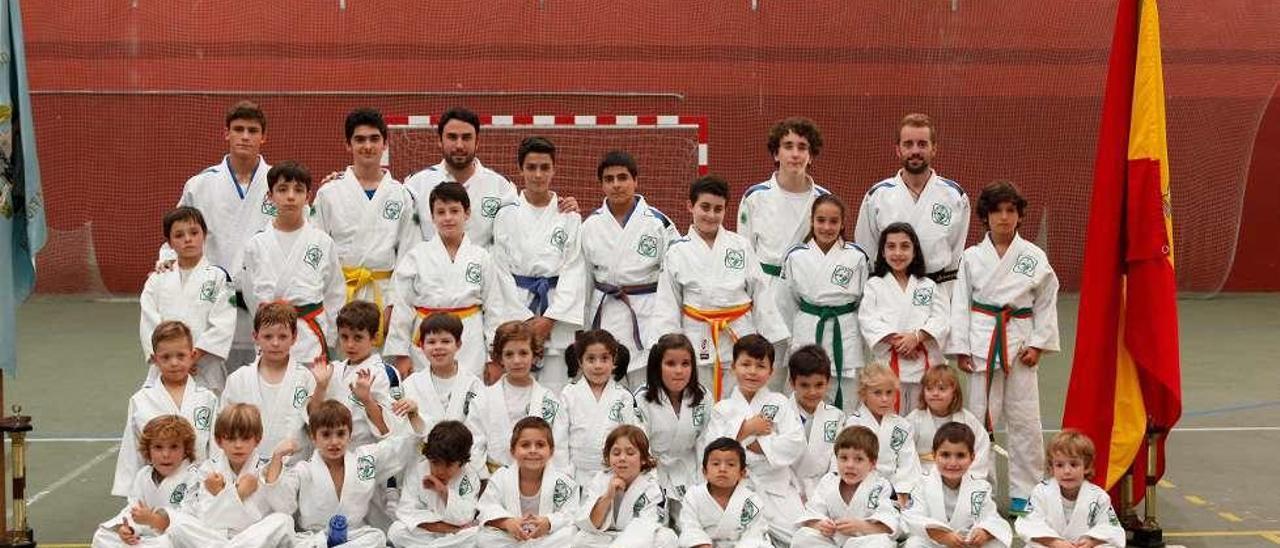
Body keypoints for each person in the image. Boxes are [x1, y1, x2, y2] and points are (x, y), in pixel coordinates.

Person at [948, 181, 1060, 514]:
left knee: (1025, 419)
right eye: (997, 210)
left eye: (1011, 210)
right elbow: (959, 304)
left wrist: (1039, 344)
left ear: (1019, 216)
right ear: (986, 216)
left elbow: (1046, 302)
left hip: (1021, 342)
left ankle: (1025, 492)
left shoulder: (1033, 257)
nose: (1004, 217)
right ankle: (979, 486)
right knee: (980, 418)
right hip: (983, 342)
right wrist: (961, 348)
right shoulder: (971, 257)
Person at [657, 175, 788, 400]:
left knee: (741, 403)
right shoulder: (677, 251)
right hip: (697, 338)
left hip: (739, 336)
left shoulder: (740, 245)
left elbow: (760, 293)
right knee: (700, 403)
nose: (711, 215)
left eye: (718, 209)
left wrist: (769, 337)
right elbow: (668, 303)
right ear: (691, 206)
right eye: (705, 207)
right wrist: (670, 347)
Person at [165, 101, 275, 370]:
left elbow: (302, 228)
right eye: (238, 129)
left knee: (261, 374)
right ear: (226, 133)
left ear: (264, 136)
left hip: (262, 295)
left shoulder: (279, 182)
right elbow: (177, 232)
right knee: (211, 372)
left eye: (252, 130)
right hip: (213, 294)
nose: (245, 136)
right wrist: (166, 260)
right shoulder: (201, 184)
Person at [384, 181, 531, 380]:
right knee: (426, 396)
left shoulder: (482, 257)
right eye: (441, 212)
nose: (448, 218)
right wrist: (401, 354)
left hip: (469, 341)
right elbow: (402, 308)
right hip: (427, 339)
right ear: (432, 217)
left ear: (467, 213)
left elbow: (494, 310)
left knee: (470, 397)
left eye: (454, 211)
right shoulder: (416, 256)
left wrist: (493, 357)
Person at [738, 117, 832, 386]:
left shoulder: (823, 199)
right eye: (788, 146)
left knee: (805, 372)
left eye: (802, 147)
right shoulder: (755, 197)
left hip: (807, 295)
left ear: (811, 155)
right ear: (775, 153)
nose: (795, 153)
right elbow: (745, 256)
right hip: (766, 292)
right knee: (767, 372)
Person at [313, 108, 420, 338]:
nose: (368, 146)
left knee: (379, 369)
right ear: (348, 145)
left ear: (385, 144)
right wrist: (324, 302)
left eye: (374, 139)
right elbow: (316, 249)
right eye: (359, 139)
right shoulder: (328, 193)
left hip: (382, 294)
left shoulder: (401, 195)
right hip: (340, 295)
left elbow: (407, 256)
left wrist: (394, 304)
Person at [491, 136, 587, 393]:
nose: (538, 174)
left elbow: (574, 268)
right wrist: (524, 320)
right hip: (517, 307)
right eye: (531, 167)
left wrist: (550, 319)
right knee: (517, 384)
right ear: (520, 169)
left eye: (545, 167)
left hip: (557, 311)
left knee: (558, 388)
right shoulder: (505, 214)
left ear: (554, 169)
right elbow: (499, 270)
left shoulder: (568, 215)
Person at [580, 150, 681, 388]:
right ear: (601, 184)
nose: (616, 185)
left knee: (646, 384)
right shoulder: (590, 225)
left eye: (623, 178)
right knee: (607, 381)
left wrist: (671, 322)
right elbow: (583, 280)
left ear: (635, 180)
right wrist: (583, 328)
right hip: (604, 311)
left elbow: (675, 275)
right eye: (609, 179)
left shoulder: (658, 223)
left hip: (647, 312)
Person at [264, 400, 424, 548]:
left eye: (340, 434)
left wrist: (414, 414)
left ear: (350, 434)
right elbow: (281, 503)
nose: (334, 442)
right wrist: (277, 457)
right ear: (313, 437)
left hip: (353, 536)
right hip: (317, 539)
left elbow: (405, 444)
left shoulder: (365, 460)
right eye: (326, 435)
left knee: (377, 537)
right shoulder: (303, 470)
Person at [702, 334, 805, 545]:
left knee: (802, 538)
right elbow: (712, 449)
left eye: (760, 366)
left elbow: (795, 444)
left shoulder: (780, 402)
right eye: (745, 364)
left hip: (777, 488)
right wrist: (748, 428)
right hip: (736, 489)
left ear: (771, 371)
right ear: (733, 367)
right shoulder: (722, 409)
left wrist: (755, 442)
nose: (752, 371)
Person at [240, 161, 345, 363]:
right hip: (270, 337)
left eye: (298, 190)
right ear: (269, 196)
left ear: (308, 197)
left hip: (309, 340)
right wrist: (268, 324)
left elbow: (335, 294)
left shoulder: (322, 242)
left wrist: (329, 338)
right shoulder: (256, 244)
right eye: (282, 189)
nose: (290, 196)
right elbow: (250, 294)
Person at [853, 113, 970, 290]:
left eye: (922, 144)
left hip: (938, 291)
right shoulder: (877, 196)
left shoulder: (955, 196)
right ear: (898, 150)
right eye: (908, 144)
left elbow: (955, 253)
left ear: (934, 149)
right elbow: (866, 250)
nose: (915, 150)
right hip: (890, 291)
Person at [164, 404, 296, 548]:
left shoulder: (267, 467)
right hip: (217, 536)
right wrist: (238, 493)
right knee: (172, 518)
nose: (238, 445)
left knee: (284, 521)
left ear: (257, 439)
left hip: (252, 535)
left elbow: (286, 509)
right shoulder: (208, 469)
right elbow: (207, 520)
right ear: (219, 441)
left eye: (245, 438)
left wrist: (276, 459)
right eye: (231, 439)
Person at [112, 321, 218, 497]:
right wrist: (130, 491)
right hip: (156, 489)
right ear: (154, 359)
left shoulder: (207, 398)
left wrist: (217, 479)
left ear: (192, 356)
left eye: (181, 356)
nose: (174, 363)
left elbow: (216, 447)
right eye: (166, 357)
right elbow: (132, 449)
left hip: (199, 489)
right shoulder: (141, 400)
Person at [782, 194, 869, 408]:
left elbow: (863, 302)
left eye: (833, 221)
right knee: (805, 396)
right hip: (808, 328)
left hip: (845, 331)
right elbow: (788, 301)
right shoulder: (795, 256)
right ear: (811, 221)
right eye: (821, 220)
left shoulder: (856, 256)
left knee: (846, 399)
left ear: (842, 224)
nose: (827, 227)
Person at [140, 206, 236, 393]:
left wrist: (192, 357)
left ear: (204, 235)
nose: (188, 239)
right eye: (179, 235)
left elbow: (223, 324)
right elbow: (149, 321)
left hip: (204, 368)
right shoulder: (157, 279)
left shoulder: (220, 277)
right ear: (169, 242)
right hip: (165, 367)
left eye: (194, 232)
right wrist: (170, 358)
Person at [858, 222, 949, 410]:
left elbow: (941, 319)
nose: (898, 253)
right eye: (891, 246)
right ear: (882, 252)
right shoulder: (874, 284)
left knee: (922, 417)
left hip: (924, 363)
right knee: (890, 419)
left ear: (915, 251)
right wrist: (900, 342)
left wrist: (916, 338)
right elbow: (868, 320)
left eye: (905, 246)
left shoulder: (928, 285)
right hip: (889, 363)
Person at [221, 303, 322, 463]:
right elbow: (223, 429)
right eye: (268, 336)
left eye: (282, 336)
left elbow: (317, 427)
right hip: (247, 468)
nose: (275, 343)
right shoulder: (238, 379)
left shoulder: (305, 378)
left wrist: (321, 387)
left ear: (294, 337)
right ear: (255, 337)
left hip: (294, 468)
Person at [403, 107, 517, 246]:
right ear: (440, 140)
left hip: (482, 267)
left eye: (466, 137)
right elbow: (406, 240)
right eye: (452, 137)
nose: (459, 145)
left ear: (477, 142)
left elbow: (508, 243)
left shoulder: (501, 187)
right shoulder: (416, 186)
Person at [395, 313, 491, 476]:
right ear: (421, 346)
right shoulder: (410, 385)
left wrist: (472, 472)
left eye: (446, 341)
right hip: (421, 467)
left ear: (458, 344)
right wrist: (415, 416)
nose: (438, 347)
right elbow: (403, 433)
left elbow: (478, 434)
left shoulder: (473, 385)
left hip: (463, 467)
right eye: (431, 342)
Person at [632, 333, 710, 523]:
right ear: (657, 366)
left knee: (696, 525)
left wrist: (706, 481)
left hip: (691, 471)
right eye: (671, 364)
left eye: (685, 364)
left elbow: (706, 443)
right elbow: (639, 447)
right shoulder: (641, 398)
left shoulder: (702, 395)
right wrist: (652, 485)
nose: (679, 371)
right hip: (652, 473)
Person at [94, 416, 203, 548]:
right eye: (158, 447)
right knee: (103, 536)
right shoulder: (143, 475)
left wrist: (154, 520)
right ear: (148, 450)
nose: (166, 454)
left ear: (186, 450)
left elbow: (190, 522)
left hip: (177, 538)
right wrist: (129, 529)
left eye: (174, 447)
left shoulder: (194, 476)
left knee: (164, 544)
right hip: (148, 536)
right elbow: (133, 509)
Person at [901, 422, 1010, 548]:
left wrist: (984, 532)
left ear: (972, 458)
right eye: (945, 455)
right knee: (914, 543)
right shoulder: (921, 483)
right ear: (934, 455)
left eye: (960, 455)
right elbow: (912, 518)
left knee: (995, 544)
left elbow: (991, 519)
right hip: (933, 542)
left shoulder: (980, 487)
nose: (953, 463)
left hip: (965, 543)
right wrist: (941, 536)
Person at [476, 417, 581, 547]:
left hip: (546, 539)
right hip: (511, 538)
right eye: (525, 445)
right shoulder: (501, 477)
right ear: (512, 451)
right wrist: (507, 523)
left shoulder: (563, 482)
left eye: (540, 445)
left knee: (571, 534)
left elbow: (571, 513)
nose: (533, 450)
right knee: (484, 537)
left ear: (551, 451)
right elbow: (487, 508)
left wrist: (548, 523)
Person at [790, 425, 899, 548]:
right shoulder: (828, 481)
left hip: (863, 542)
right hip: (832, 542)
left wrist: (861, 526)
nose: (850, 465)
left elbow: (890, 527)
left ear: (872, 463)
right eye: (844, 458)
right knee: (802, 536)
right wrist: (820, 525)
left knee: (881, 543)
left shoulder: (881, 486)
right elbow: (811, 517)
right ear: (836, 458)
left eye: (858, 459)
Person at [481, 321, 568, 471]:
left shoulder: (549, 401)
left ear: (534, 356)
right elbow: (474, 443)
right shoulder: (484, 398)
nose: (517, 361)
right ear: (499, 358)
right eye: (509, 354)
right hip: (494, 481)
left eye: (523, 353)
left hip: (539, 480)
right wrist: (483, 479)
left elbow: (559, 449)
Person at [1015, 430, 1125, 548]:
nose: (1067, 471)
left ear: (1086, 466)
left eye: (1073, 464)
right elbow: (1028, 523)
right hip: (1051, 545)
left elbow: (1112, 528)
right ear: (1051, 468)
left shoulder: (1098, 496)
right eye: (1059, 465)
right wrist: (1055, 542)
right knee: (1034, 544)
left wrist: (1092, 541)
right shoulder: (1041, 491)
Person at [574, 425, 679, 547]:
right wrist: (608, 496)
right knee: (580, 538)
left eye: (630, 453)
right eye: (616, 453)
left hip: (636, 542)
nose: (622, 458)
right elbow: (591, 524)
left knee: (666, 537)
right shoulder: (600, 479)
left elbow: (646, 530)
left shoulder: (653, 487)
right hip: (606, 539)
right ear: (608, 458)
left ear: (643, 459)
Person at [387, 420, 484, 548]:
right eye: (435, 462)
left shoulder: (469, 476)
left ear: (462, 462)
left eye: (449, 465)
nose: (440, 471)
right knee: (396, 531)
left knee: (477, 534)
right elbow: (407, 512)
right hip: (434, 533)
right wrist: (450, 528)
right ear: (428, 457)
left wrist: (444, 492)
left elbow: (465, 517)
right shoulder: (418, 470)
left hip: (456, 537)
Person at [561, 330, 639, 486]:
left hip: (614, 475)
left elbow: (633, 437)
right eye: (591, 359)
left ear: (614, 360)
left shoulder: (623, 396)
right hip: (576, 476)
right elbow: (559, 439)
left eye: (604, 359)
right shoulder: (569, 394)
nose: (598, 366)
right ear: (580, 362)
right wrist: (564, 475)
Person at [841, 363, 923, 503]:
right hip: (861, 487)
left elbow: (908, 463)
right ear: (863, 394)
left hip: (895, 491)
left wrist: (901, 491)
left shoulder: (902, 426)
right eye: (877, 393)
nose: (884, 399)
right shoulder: (853, 424)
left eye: (889, 392)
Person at [320, 300, 395, 448]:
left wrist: (367, 400)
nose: (350, 345)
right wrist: (320, 387)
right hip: (330, 449)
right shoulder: (332, 369)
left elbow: (387, 428)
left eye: (358, 337)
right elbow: (313, 417)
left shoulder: (383, 373)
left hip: (364, 452)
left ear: (374, 338)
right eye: (344, 337)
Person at [676, 437, 771, 548]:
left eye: (730, 464)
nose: (722, 469)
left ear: (742, 473)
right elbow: (690, 527)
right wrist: (701, 544)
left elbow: (755, 534)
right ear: (704, 471)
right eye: (716, 464)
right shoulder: (694, 495)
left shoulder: (751, 500)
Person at [904, 365, 989, 479]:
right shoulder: (913, 420)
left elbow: (981, 450)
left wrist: (969, 478)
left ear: (955, 392)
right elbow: (903, 455)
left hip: (960, 476)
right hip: (922, 478)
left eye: (942, 389)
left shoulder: (968, 420)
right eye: (929, 389)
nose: (935, 393)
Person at [786, 345, 846, 498]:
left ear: (828, 382)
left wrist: (828, 488)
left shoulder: (836, 417)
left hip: (824, 489)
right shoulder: (781, 414)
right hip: (787, 487)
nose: (812, 392)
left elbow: (838, 457)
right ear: (792, 383)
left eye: (819, 385)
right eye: (804, 385)